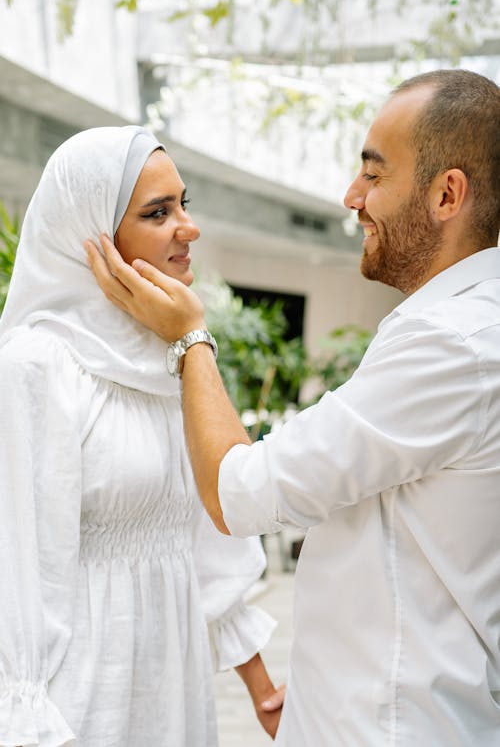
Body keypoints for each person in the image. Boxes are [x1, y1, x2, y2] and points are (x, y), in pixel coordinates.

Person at [86, 68, 500, 746]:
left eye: (373, 174)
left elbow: (240, 494)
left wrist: (192, 339)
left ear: (446, 194)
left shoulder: (453, 344)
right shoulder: (463, 328)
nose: (352, 196)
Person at [0, 125, 284, 747]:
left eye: (185, 203)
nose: (188, 227)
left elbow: (206, 536)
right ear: (91, 232)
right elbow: (18, 577)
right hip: (82, 698)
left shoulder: (171, 347)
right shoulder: (36, 365)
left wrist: (262, 688)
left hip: (170, 689)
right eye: (158, 212)